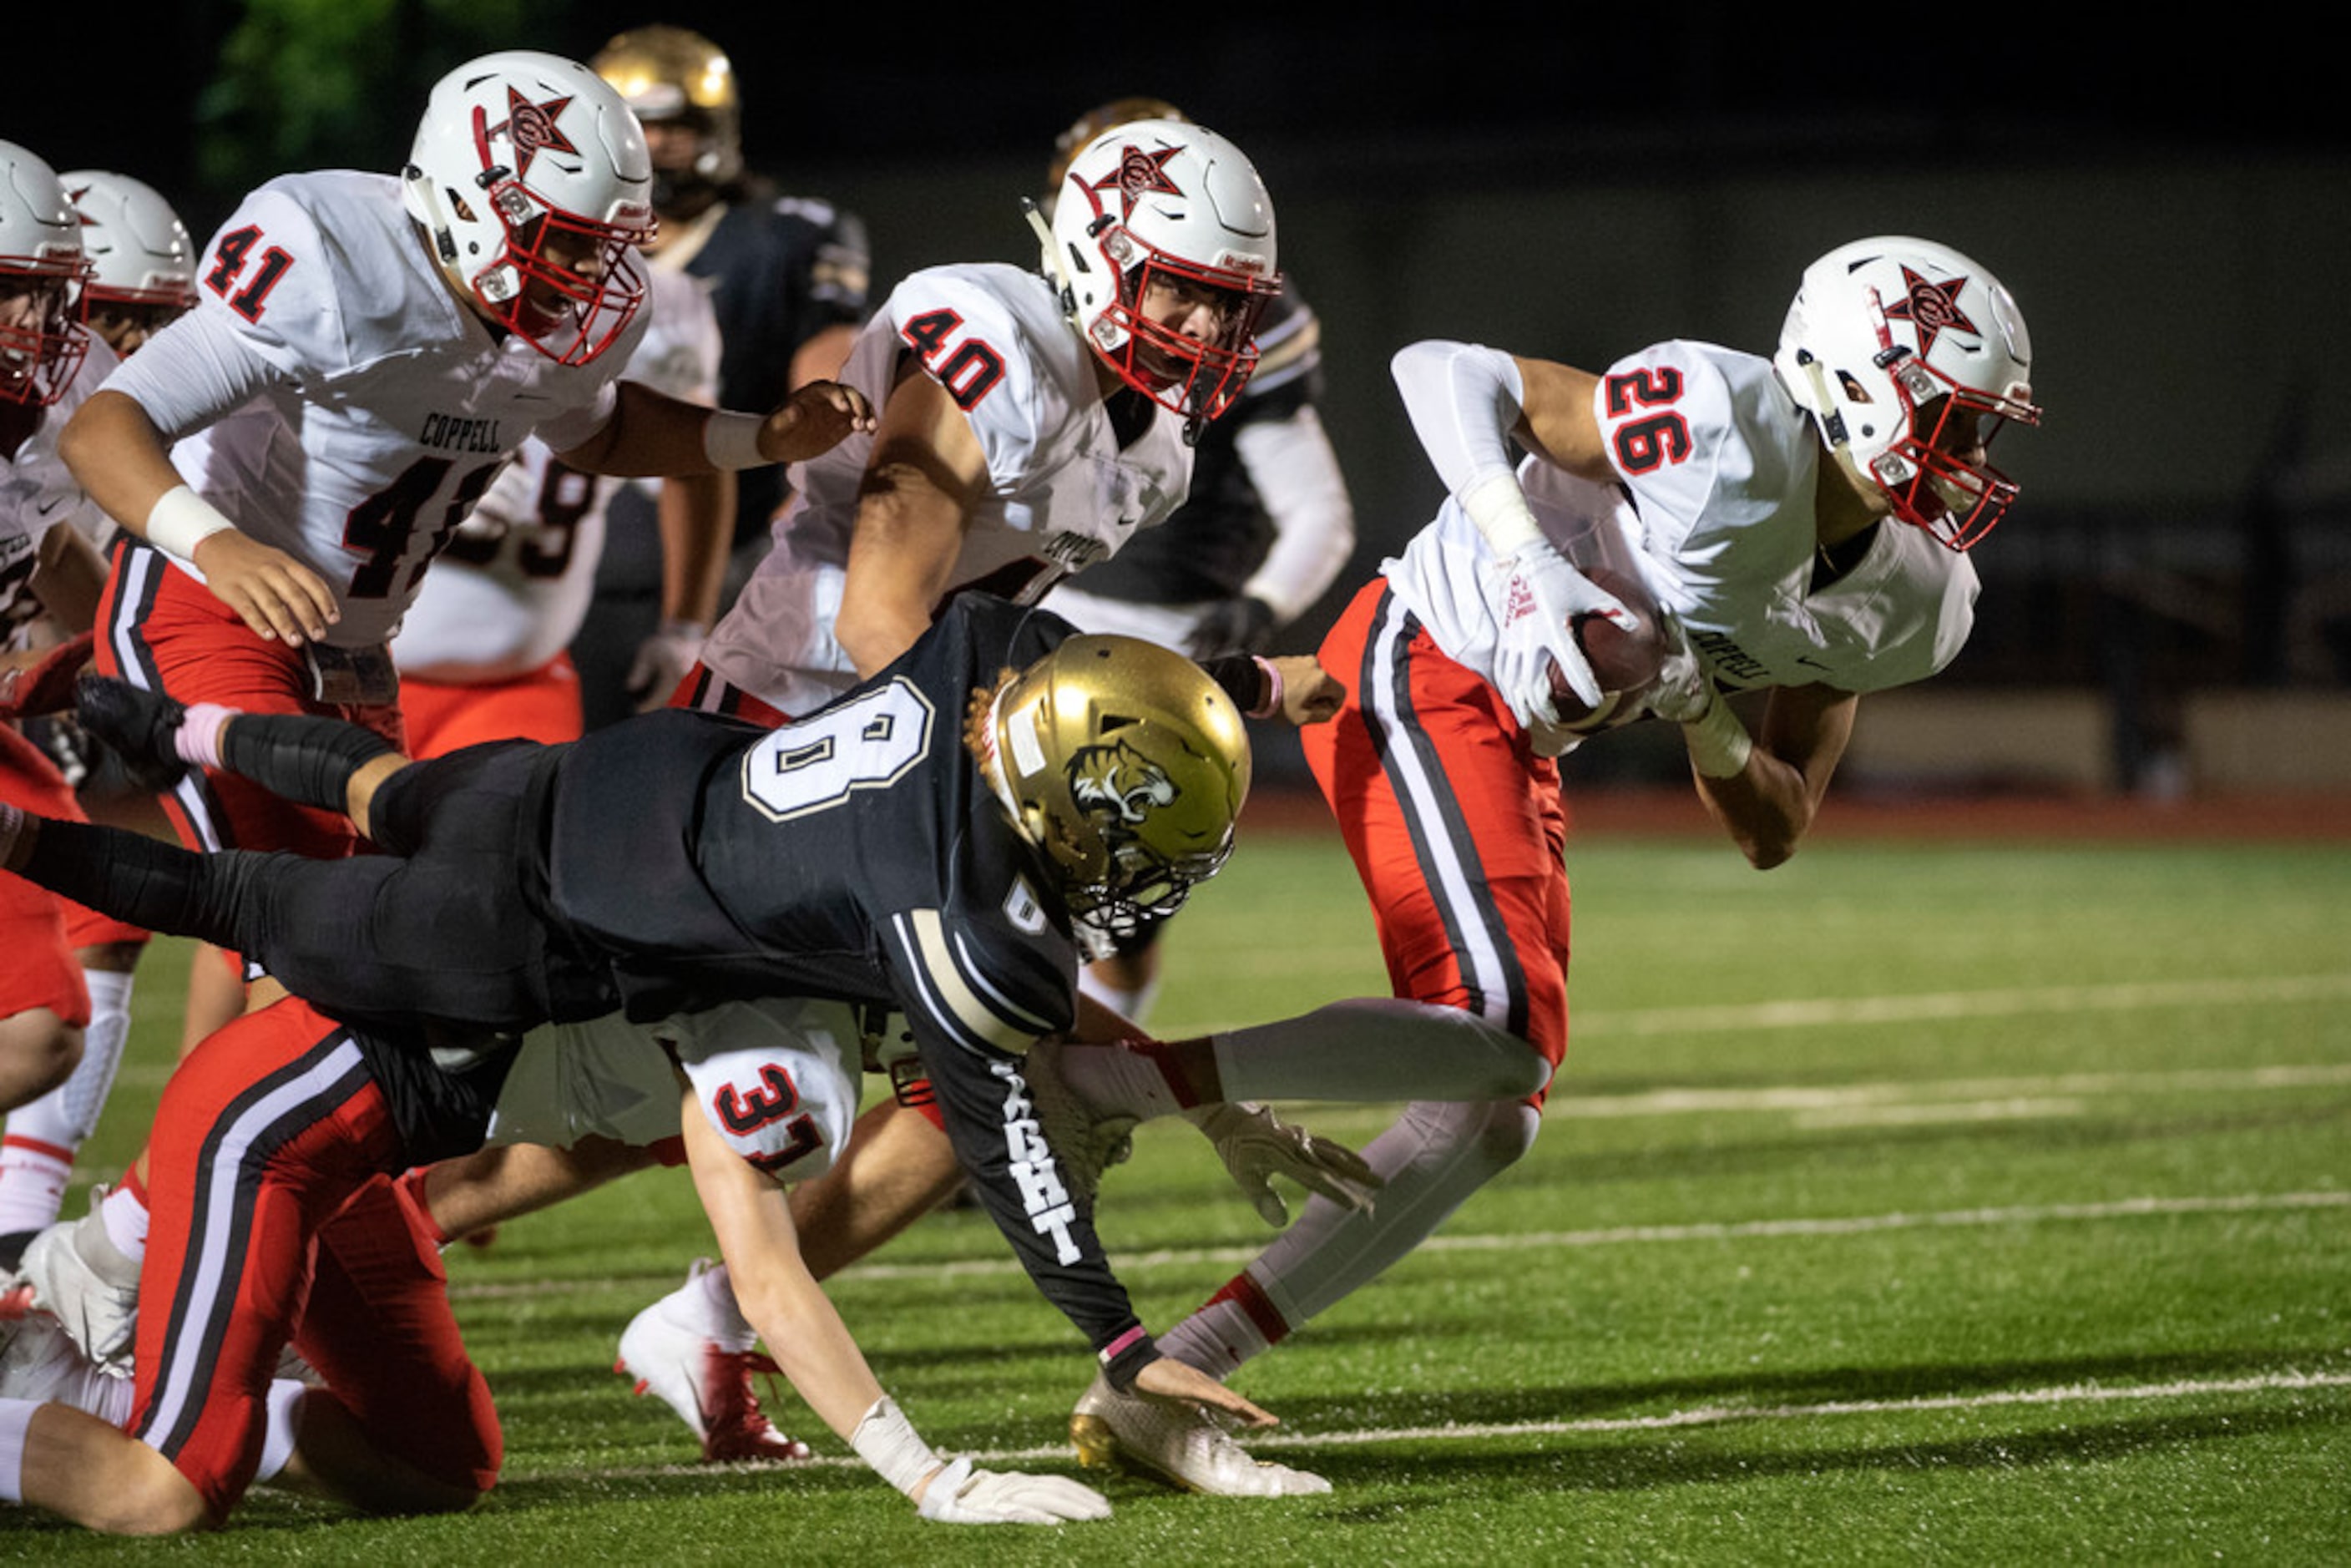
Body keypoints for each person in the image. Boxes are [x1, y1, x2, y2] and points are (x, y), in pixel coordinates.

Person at [1036, 235, 2043, 1493]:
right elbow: (1440, 370)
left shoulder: (1912, 596)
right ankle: (1111, 1082)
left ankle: (1169, 1374)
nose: (1975, 465)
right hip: (1428, 658)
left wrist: (1702, 710)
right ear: (1853, 384)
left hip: (1521, 734)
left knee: (1489, 1117)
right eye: (1957, 422)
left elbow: (1774, 823)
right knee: (1501, 1024)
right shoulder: (1721, 423)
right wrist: (1534, 566)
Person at [390, 112, 1317, 1462]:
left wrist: (1223, 690)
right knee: (669, 1086)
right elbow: (890, 609)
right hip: (791, 727)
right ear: (1095, 257)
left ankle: (698, 1315)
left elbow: (998, 630)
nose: (1203, 326)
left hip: (921, 750)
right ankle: (388, 1225)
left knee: (941, 1076)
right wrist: (1014, 758)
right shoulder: (991, 339)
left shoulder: (1156, 451)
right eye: (1181, 285)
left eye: (1225, 304)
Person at [0, 594, 1303, 1437]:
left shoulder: (986, 651)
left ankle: (185, 727)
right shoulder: (951, 916)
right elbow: (1012, 1149)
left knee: (388, 787)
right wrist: (1123, 1341)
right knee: (237, 894)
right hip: (536, 911)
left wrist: (1232, 688)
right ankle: (16, 829)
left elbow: (1104, 673)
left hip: (620, 767)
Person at [37, 49, 872, 1260]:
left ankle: (172, 1251)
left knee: (396, 977)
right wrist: (215, 545)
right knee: (317, 976)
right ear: (471, 199)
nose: (595, 274)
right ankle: (127, 1260)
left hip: (352, 657)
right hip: (205, 612)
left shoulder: (562, 310)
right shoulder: (333, 255)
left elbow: (593, 424)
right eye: (570, 240)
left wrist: (755, 437)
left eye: (606, 245)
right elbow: (113, 426)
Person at [0, 980, 1120, 1533]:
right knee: (164, 1496)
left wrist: (1193, 1093)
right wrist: (929, 1474)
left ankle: (95, 1380)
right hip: (275, 1128)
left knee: (442, 1471)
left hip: (368, 1176)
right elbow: (769, 1278)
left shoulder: (782, 953)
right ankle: (92, 1329)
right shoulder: (754, 1018)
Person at [1038, 97, 1356, 1024]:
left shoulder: (1227, 333)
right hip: (1033, 618)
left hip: (1168, 637)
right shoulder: (1021, 313)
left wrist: (1257, 610)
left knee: (1113, 918)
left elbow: (1316, 511)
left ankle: (1080, 1092)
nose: (1199, 320)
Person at [573, 24, 872, 726]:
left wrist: (822, 457)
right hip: (574, 523)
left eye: (675, 126)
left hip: (734, 520)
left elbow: (829, 351)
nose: (654, 143)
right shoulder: (563, 233)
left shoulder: (787, 233)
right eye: (636, 125)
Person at [391, 260, 729, 758]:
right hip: (352, 664)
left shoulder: (656, 304)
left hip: (520, 678)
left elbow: (700, 457)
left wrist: (685, 628)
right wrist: (421, 491)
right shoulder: (402, 273)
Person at [0, 142, 147, 1254]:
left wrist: (126, 659)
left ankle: (12, 1238)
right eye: (9, 294)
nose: (33, 326)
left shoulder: (69, 395)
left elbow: (48, 538)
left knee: (43, 1031)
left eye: (46, 293)